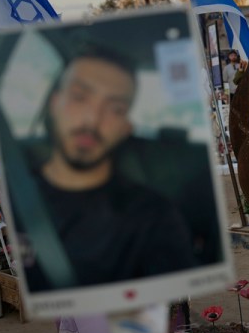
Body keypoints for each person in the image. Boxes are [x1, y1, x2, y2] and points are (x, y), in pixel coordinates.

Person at [23, 44, 200, 290]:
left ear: (126, 127)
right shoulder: (17, 198)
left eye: (115, 109)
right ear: (54, 103)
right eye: (79, 97)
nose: (92, 120)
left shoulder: (154, 217)